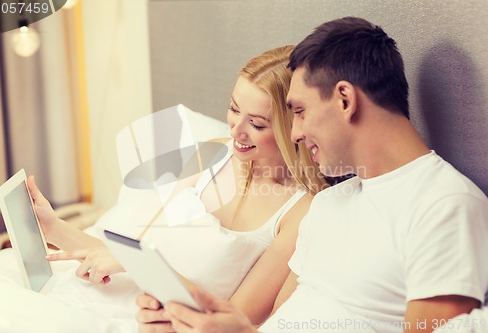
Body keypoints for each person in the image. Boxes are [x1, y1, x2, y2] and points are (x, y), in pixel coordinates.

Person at [138, 17, 488, 333]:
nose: (294, 134)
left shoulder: (444, 205)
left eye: (300, 112)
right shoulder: (329, 204)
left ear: (345, 100)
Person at [28, 45, 327, 326]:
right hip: (117, 299)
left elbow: (236, 319)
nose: (236, 129)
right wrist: (55, 228)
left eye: (257, 124)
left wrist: (133, 264)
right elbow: (128, 254)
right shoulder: (211, 153)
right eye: (234, 109)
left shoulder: (301, 213)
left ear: (293, 126)